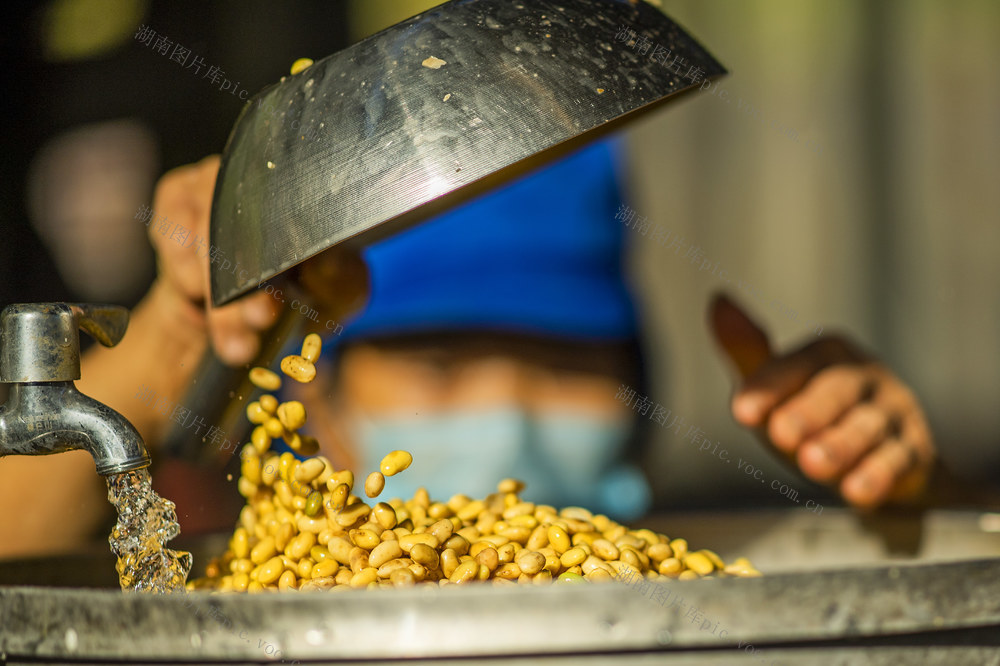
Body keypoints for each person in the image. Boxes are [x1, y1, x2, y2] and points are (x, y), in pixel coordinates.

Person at [0, 141, 936, 557]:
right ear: (321, 395)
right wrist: (175, 340)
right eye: (439, 367)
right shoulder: (253, 566)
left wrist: (902, 503)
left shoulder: (695, 562)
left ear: (636, 385)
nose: (507, 410)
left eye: (568, 365)